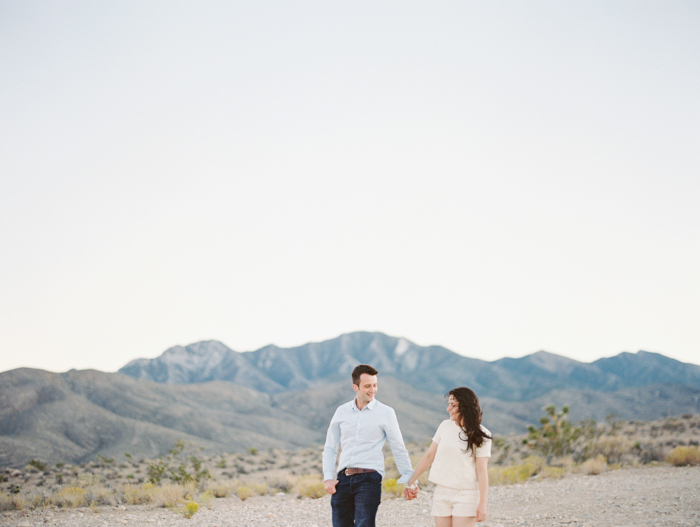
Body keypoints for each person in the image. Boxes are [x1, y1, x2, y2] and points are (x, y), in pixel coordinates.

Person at [323, 364, 415, 527]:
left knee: (364, 524)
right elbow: (330, 447)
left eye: (375, 385)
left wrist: (410, 480)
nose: (372, 390)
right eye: (367, 386)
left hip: (369, 478)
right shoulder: (341, 411)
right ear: (355, 387)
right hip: (343, 479)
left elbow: (398, 447)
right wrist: (328, 478)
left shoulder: (386, 412)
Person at [404, 387, 492, 527]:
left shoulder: (482, 435)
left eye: (453, 405)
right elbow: (429, 456)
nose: (448, 409)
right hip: (442, 492)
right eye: (449, 404)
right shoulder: (445, 426)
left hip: (467, 495)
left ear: (465, 407)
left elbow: (482, 471)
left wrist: (483, 503)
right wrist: (410, 483)